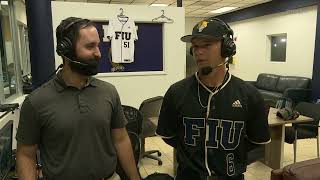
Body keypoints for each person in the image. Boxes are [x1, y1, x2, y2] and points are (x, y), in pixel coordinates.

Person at [16, 17, 140, 180]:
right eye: (90, 46)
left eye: (98, 45)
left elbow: (121, 139)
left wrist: (135, 178)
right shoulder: (36, 102)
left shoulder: (108, 92)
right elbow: (26, 155)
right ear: (65, 50)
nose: (98, 53)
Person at [156, 17, 271, 180]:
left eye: (207, 45)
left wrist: (228, 155)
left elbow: (257, 140)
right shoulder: (177, 92)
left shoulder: (250, 95)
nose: (199, 52)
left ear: (227, 48)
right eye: (195, 46)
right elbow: (170, 136)